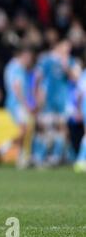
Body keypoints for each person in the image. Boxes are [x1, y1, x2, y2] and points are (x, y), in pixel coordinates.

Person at [33, 39, 81, 167]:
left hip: (63, 101)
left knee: (62, 128)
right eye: (65, 47)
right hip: (47, 100)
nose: (67, 50)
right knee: (44, 128)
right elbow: (37, 77)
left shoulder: (71, 61)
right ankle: (38, 156)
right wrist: (36, 94)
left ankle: (55, 157)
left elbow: (76, 79)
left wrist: (66, 66)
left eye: (69, 48)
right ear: (58, 46)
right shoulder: (46, 60)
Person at [0, 46, 35, 168]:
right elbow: (17, 88)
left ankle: (21, 158)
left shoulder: (14, 67)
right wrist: (25, 104)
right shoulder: (16, 68)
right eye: (28, 58)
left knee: (24, 130)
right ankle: (4, 148)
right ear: (23, 56)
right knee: (24, 131)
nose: (30, 61)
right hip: (16, 103)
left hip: (15, 103)